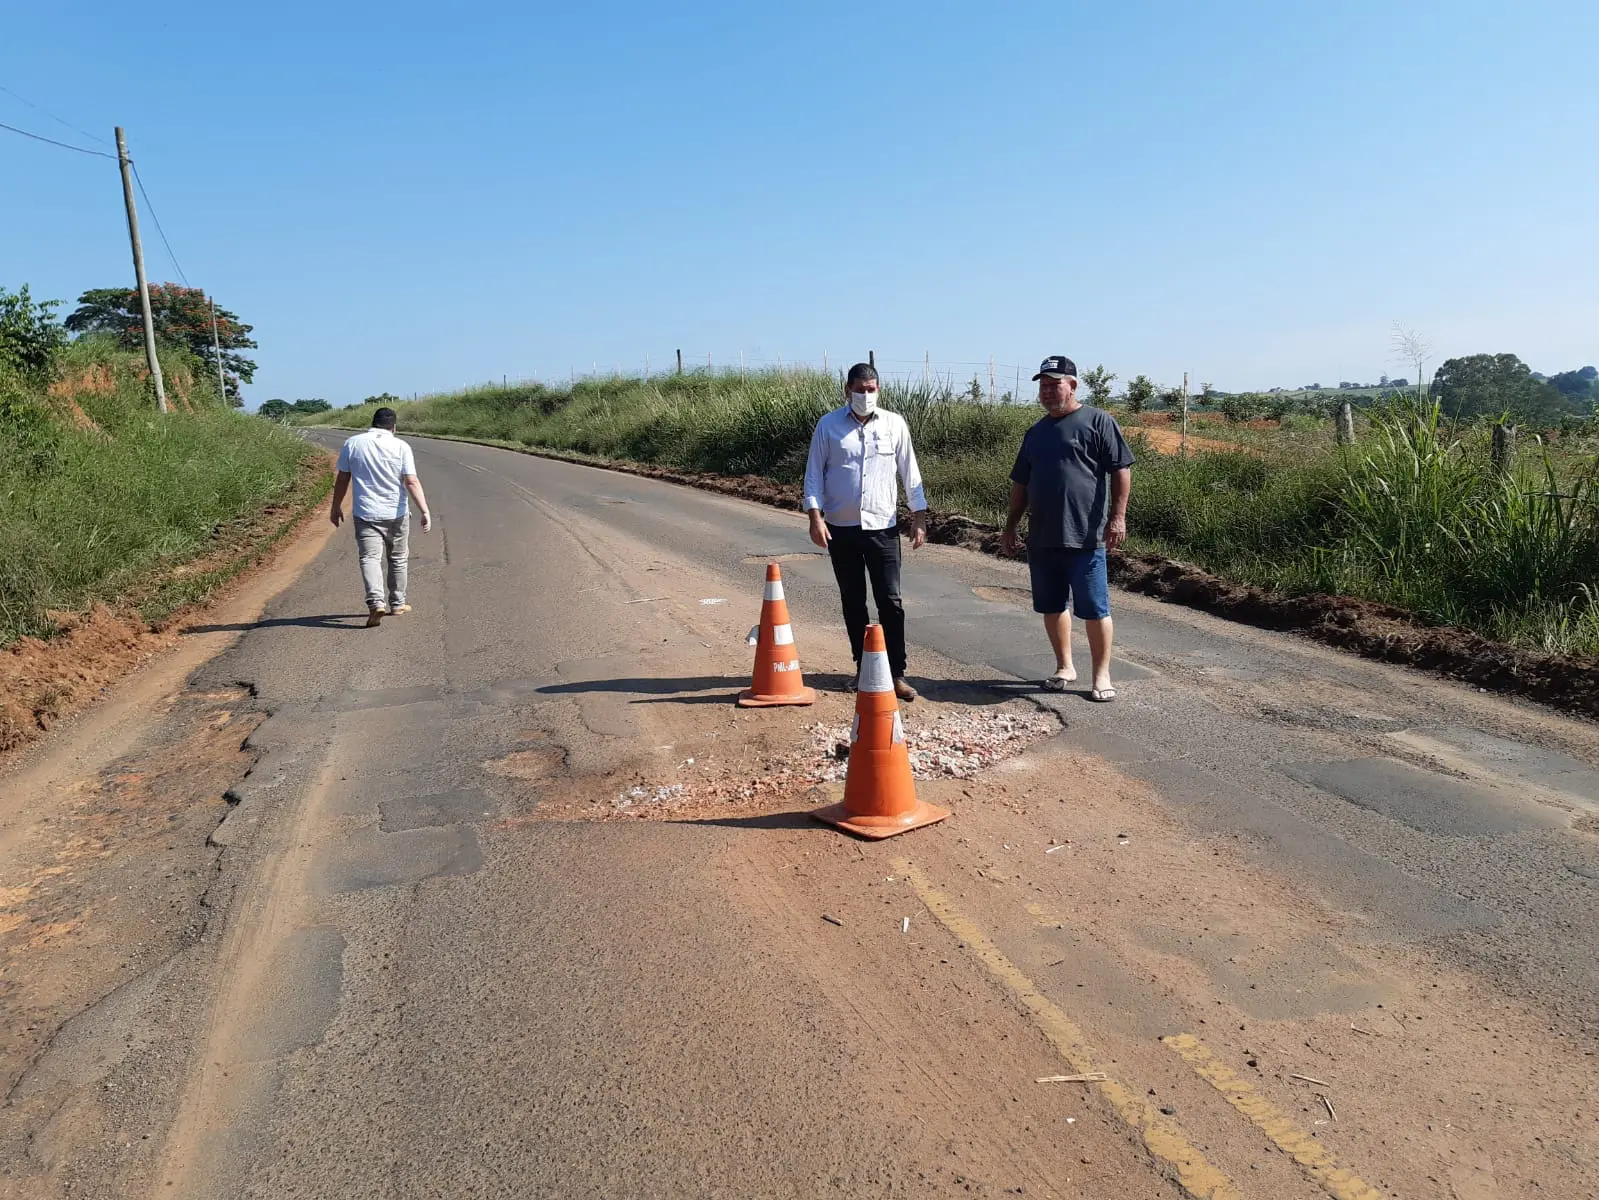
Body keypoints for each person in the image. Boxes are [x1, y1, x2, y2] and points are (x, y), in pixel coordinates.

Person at [1000, 355, 1134, 701]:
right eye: (1043, 385)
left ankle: (1101, 675)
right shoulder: (1035, 433)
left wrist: (1118, 517)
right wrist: (1010, 526)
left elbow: (1121, 470)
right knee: (1052, 606)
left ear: (1072, 385)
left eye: (1054, 384)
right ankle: (1064, 667)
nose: (1047, 391)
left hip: (1086, 537)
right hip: (1043, 537)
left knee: (1095, 609)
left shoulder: (1098, 421)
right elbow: (1020, 484)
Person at [802, 362, 927, 701]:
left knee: (891, 601)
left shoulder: (894, 424)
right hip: (840, 529)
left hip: (882, 529)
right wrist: (815, 517)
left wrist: (918, 517)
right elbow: (814, 474)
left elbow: (910, 472)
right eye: (860, 390)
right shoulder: (828, 426)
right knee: (853, 601)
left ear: (878, 390)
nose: (866, 395)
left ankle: (896, 673)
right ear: (848, 391)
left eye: (871, 390)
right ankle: (864, 669)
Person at [330, 407, 433, 627]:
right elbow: (411, 481)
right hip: (396, 513)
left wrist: (336, 506)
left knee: (369, 558)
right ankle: (397, 603)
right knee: (398, 559)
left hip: (365, 513)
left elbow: (343, 478)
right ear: (394, 427)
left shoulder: (353, 443)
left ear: (373, 423)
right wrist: (424, 510)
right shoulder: (401, 446)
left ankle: (376, 602)